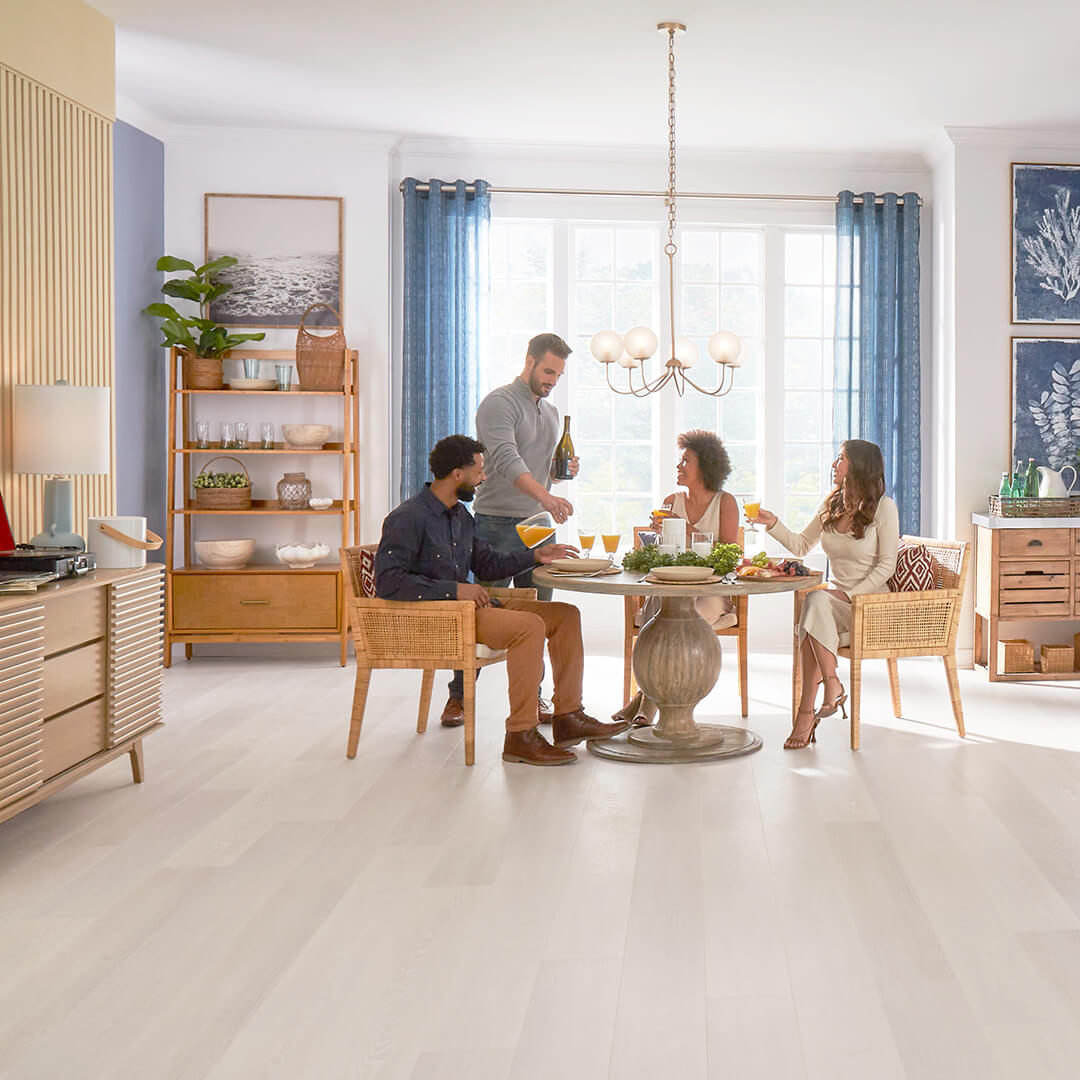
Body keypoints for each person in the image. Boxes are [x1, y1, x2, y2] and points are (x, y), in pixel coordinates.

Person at [375, 434, 629, 766]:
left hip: (469, 607)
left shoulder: (460, 517)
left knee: (565, 615)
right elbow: (388, 581)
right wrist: (454, 589)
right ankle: (520, 735)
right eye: (478, 471)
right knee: (528, 627)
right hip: (441, 617)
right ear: (457, 473)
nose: (483, 478)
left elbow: (489, 563)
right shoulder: (408, 517)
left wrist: (537, 555)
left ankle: (568, 717)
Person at [440, 332, 578, 728]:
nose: (552, 380)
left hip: (538, 527)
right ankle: (459, 697)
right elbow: (505, 459)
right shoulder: (499, 403)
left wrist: (557, 474)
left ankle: (534, 699)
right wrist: (548, 499)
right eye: (548, 370)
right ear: (530, 361)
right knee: (482, 610)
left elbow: (540, 468)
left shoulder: (550, 414)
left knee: (541, 613)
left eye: (559, 374)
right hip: (497, 523)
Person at [751, 439, 899, 750]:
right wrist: (772, 523)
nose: (834, 464)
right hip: (836, 604)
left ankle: (808, 712)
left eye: (841, 458)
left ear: (858, 465)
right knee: (815, 603)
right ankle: (831, 687)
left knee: (813, 607)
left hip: (870, 605)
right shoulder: (833, 504)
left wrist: (851, 594)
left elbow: (887, 566)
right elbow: (802, 545)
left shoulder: (884, 507)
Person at [613, 429, 740, 727]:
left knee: (677, 620)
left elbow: (729, 557)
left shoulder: (726, 503)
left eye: (686, 461)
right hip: (672, 586)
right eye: (680, 461)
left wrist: (684, 529)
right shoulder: (671, 501)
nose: (679, 467)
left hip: (711, 592)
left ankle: (645, 703)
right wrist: (659, 535)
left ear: (705, 466)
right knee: (656, 609)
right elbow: (664, 553)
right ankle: (649, 700)